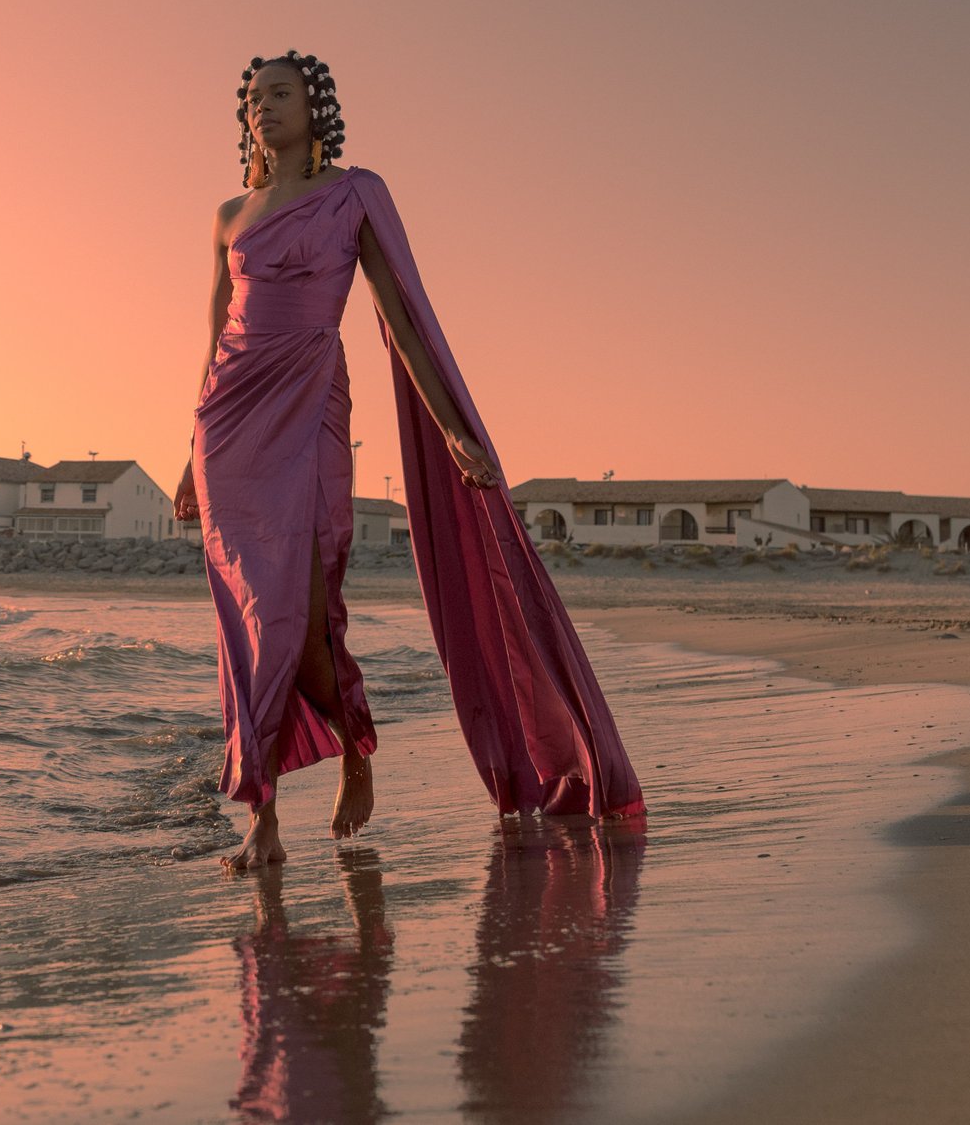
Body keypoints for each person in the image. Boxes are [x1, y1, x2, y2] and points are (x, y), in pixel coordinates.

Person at [174, 50, 644, 875]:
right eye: (253, 97)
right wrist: (188, 453)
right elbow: (215, 338)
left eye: (280, 93)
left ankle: (353, 743)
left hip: (310, 400)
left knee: (303, 612)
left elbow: (399, 316)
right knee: (247, 619)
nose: (263, 107)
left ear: (315, 107)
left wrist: (451, 427)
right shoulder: (227, 215)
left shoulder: (355, 193)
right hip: (229, 428)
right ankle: (263, 817)